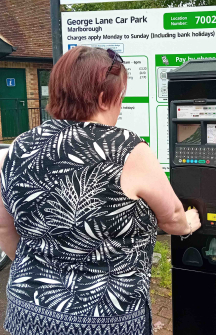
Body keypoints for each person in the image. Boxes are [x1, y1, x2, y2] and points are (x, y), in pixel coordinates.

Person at [0, 46, 201, 335]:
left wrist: (43, 275)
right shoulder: (127, 150)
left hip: (29, 313)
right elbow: (171, 216)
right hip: (106, 320)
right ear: (106, 97)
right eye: (121, 95)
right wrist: (189, 222)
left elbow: (5, 229)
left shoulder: (19, 146)